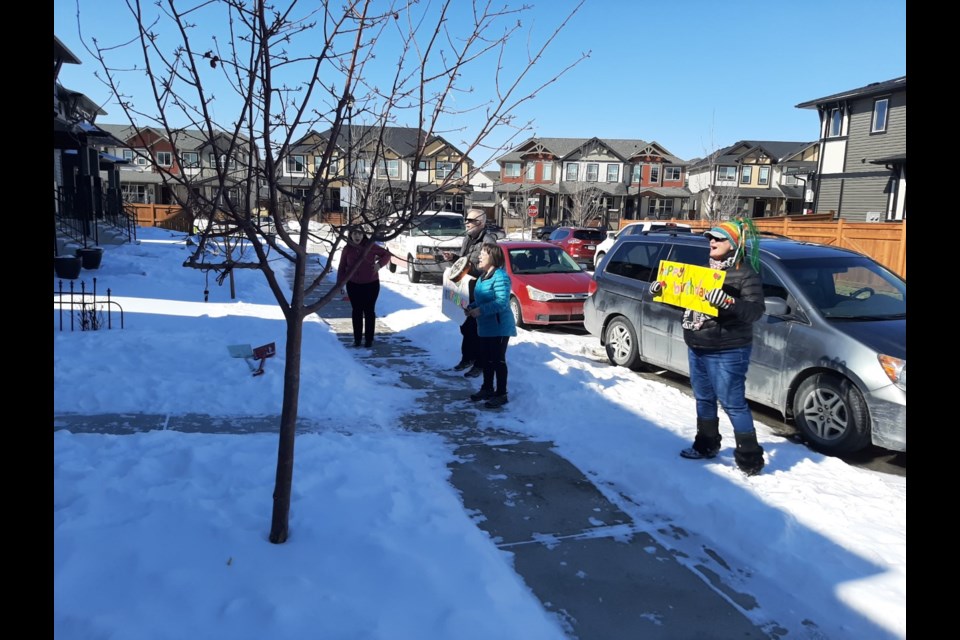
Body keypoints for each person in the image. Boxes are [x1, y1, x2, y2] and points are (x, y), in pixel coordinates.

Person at [648, 217, 766, 476]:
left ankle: (750, 456)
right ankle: (706, 444)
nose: (712, 241)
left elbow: (756, 311)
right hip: (697, 343)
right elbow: (689, 304)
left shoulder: (746, 273)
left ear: (733, 244)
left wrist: (729, 302)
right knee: (703, 398)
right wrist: (662, 292)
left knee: (733, 402)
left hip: (728, 348)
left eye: (718, 238)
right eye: (709, 238)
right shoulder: (703, 272)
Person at [441, 209, 500, 378]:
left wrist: (468, 269)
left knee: (477, 330)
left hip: (479, 292)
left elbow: (489, 268)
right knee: (465, 327)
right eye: (466, 219)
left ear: (480, 223)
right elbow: (463, 260)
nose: (466, 223)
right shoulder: (468, 238)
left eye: (470, 220)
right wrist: (453, 258)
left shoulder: (489, 241)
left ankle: (479, 364)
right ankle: (467, 358)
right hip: (465, 290)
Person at [464, 243, 516, 408]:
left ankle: (501, 394)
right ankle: (487, 388)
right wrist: (471, 308)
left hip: (499, 327)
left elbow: (501, 302)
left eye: (483, 254)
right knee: (486, 359)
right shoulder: (482, 277)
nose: (479, 256)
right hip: (485, 327)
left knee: (497, 360)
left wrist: (480, 310)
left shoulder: (500, 276)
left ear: (493, 257)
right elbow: (480, 300)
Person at [335, 226, 391, 348]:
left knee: (369, 311)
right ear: (350, 235)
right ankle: (357, 339)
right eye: (355, 233)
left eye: (360, 234)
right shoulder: (347, 249)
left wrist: (379, 264)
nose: (357, 236)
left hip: (371, 284)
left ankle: (369, 340)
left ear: (364, 235)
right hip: (353, 284)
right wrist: (340, 283)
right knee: (357, 311)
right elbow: (342, 266)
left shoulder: (370, 246)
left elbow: (386, 254)